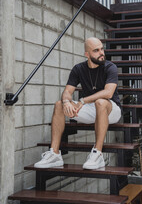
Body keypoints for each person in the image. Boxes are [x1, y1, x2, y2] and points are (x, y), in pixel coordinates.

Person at [34, 37, 121, 170]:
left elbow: (108, 93)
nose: (101, 53)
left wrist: (82, 101)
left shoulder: (110, 67)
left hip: (111, 110)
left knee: (100, 102)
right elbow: (67, 91)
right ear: (87, 54)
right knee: (59, 105)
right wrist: (66, 102)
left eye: (102, 49)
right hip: (92, 109)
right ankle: (55, 154)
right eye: (96, 50)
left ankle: (97, 154)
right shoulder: (78, 68)